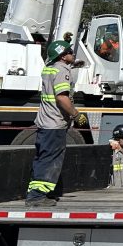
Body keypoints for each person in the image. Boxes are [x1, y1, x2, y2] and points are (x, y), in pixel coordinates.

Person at [24, 40, 88, 208]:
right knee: (50, 159)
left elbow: (56, 76)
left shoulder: (49, 68)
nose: (72, 54)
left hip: (45, 122)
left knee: (42, 158)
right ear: (62, 56)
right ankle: (36, 197)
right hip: (54, 123)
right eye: (70, 52)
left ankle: (36, 193)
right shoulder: (61, 71)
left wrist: (72, 65)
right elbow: (61, 97)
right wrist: (76, 114)